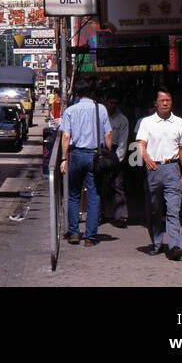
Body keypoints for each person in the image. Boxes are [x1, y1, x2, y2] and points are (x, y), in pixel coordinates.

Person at [136, 88, 182, 261]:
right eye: (162, 101)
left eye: (168, 100)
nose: (165, 103)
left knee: (173, 210)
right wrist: (146, 158)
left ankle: (175, 246)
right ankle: (157, 243)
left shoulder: (180, 122)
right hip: (154, 170)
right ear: (156, 103)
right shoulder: (147, 122)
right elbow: (140, 143)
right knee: (155, 209)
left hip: (173, 169)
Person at [58, 78, 112, 246]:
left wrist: (63, 158)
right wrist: (107, 154)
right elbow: (108, 135)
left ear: (78, 93)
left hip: (76, 155)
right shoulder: (101, 109)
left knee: (74, 194)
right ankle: (90, 236)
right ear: (92, 92)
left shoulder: (70, 111)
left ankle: (74, 233)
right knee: (94, 196)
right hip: (95, 156)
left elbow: (66, 136)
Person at [100, 93, 130, 227]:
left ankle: (121, 216)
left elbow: (124, 140)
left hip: (116, 153)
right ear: (105, 101)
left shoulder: (122, 119)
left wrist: (117, 158)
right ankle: (100, 214)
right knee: (101, 185)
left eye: (114, 103)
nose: (112, 106)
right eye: (110, 102)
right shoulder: (99, 117)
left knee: (118, 185)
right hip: (102, 152)